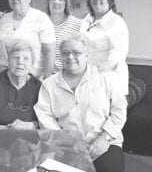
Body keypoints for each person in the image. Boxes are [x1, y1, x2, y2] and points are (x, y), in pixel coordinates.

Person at [34, 34, 127, 172]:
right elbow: (45, 117)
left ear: (87, 55)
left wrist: (104, 138)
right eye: (66, 53)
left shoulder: (105, 78)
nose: (70, 57)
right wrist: (68, 141)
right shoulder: (49, 84)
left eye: (76, 52)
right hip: (65, 146)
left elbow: (119, 111)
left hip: (104, 144)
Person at [0, 41, 41, 130]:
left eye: (26, 58)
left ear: (32, 63)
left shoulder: (38, 87)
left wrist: (31, 125)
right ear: (8, 61)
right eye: (16, 57)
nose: (20, 62)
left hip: (29, 141)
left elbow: (45, 120)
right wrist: (4, 129)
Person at [0, 0, 56, 79]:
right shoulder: (3, 21)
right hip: (9, 80)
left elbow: (50, 52)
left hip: (35, 80)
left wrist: (47, 81)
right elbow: (0, 53)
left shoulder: (41, 18)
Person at [81, 0, 129, 95]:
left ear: (110, 0)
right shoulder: (87, 19)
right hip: (88, 77)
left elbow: (119, 51)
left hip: (109, 79)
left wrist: (107, 64)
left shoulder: (117, 21)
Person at [45, 0, 82, 72]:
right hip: (44, 76)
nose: (56, 2)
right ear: (48, 2)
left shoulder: (77, 24)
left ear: (66, 4)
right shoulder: (41, 23)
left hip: (69, 76)